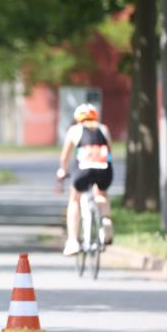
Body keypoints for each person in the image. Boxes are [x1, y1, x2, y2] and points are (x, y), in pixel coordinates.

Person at [56, 103, 114, 256]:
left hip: (84, 170)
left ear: (78, 118)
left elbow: (65, 156)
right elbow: (110, 150)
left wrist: (63, 170)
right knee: (101, 194)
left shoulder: (75, 130)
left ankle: (73, 241)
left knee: (74, 199)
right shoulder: (104, 129)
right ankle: (106, 221)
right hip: (104, 168)